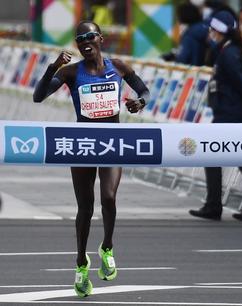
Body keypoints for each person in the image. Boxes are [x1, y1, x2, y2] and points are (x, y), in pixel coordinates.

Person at [33, 21, 149, 297]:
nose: (85, 42)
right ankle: (81, 264)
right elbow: (38, 97)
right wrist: (53, 67)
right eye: (79, 39)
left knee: (109, 198)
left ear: (101, 39)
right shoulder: (71, 72)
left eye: (89, 37)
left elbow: (143, 91)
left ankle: (107, 246)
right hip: (82, 145)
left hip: (112, 142)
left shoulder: (118, 67)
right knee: (85, 208)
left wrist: (139, 102)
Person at [189, 11, 242, 222]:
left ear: (220, 31)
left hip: (233, 114)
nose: (210, 33)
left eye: (213, 29)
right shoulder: (228, 50)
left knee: (212, 157)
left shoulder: (228, 54)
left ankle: (214, 205)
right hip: (234, 112)